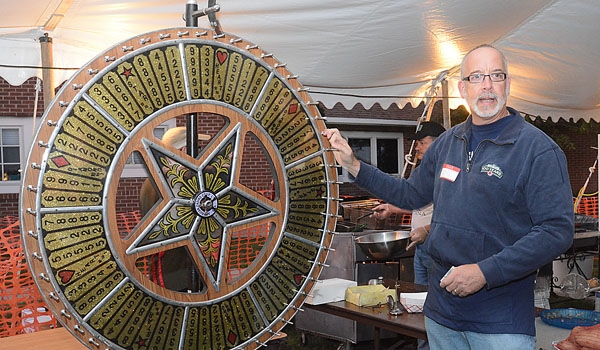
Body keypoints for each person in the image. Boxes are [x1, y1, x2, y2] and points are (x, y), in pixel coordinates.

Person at [323, 44, 574, 350]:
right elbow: (410, 193)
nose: (487, 85)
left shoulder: (537, 149)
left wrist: (485, 272)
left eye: (496, 75)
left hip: (500, 323)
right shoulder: (446, 143)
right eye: (477, 76)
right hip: (442, 315)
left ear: (508, 84)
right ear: (462, 88)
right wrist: (354, 165)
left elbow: (556, 232)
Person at [373, 121, 445, 350]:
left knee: (438, 307)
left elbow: (454, 214)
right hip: (421, 249)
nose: (416, 148)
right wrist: (391, 208)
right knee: (420, 306)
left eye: (422, 143)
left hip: (439, 250)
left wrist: (426, 231)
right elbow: (417, 204)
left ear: (437, 144)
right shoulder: (424, 172)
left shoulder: (448, 173)